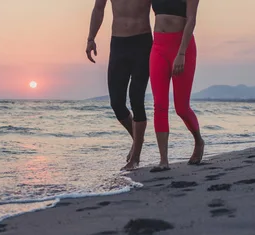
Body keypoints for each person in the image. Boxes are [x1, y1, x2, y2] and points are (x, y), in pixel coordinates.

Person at [86, 0, 153, 171]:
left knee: (136, 98)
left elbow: (163, 9)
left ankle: (135, 157)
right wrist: (91, 38)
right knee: (116, 103)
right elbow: (98, 8)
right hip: (118, 44)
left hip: (143, 43)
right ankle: (138, 140)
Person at [149, 0, 204, 171]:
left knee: (181, 107)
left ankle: (198, 141)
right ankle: (163, 161)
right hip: (158, 47)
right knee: (159, 104)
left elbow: (192, 19)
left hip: (182, 48)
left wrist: (181, 53)